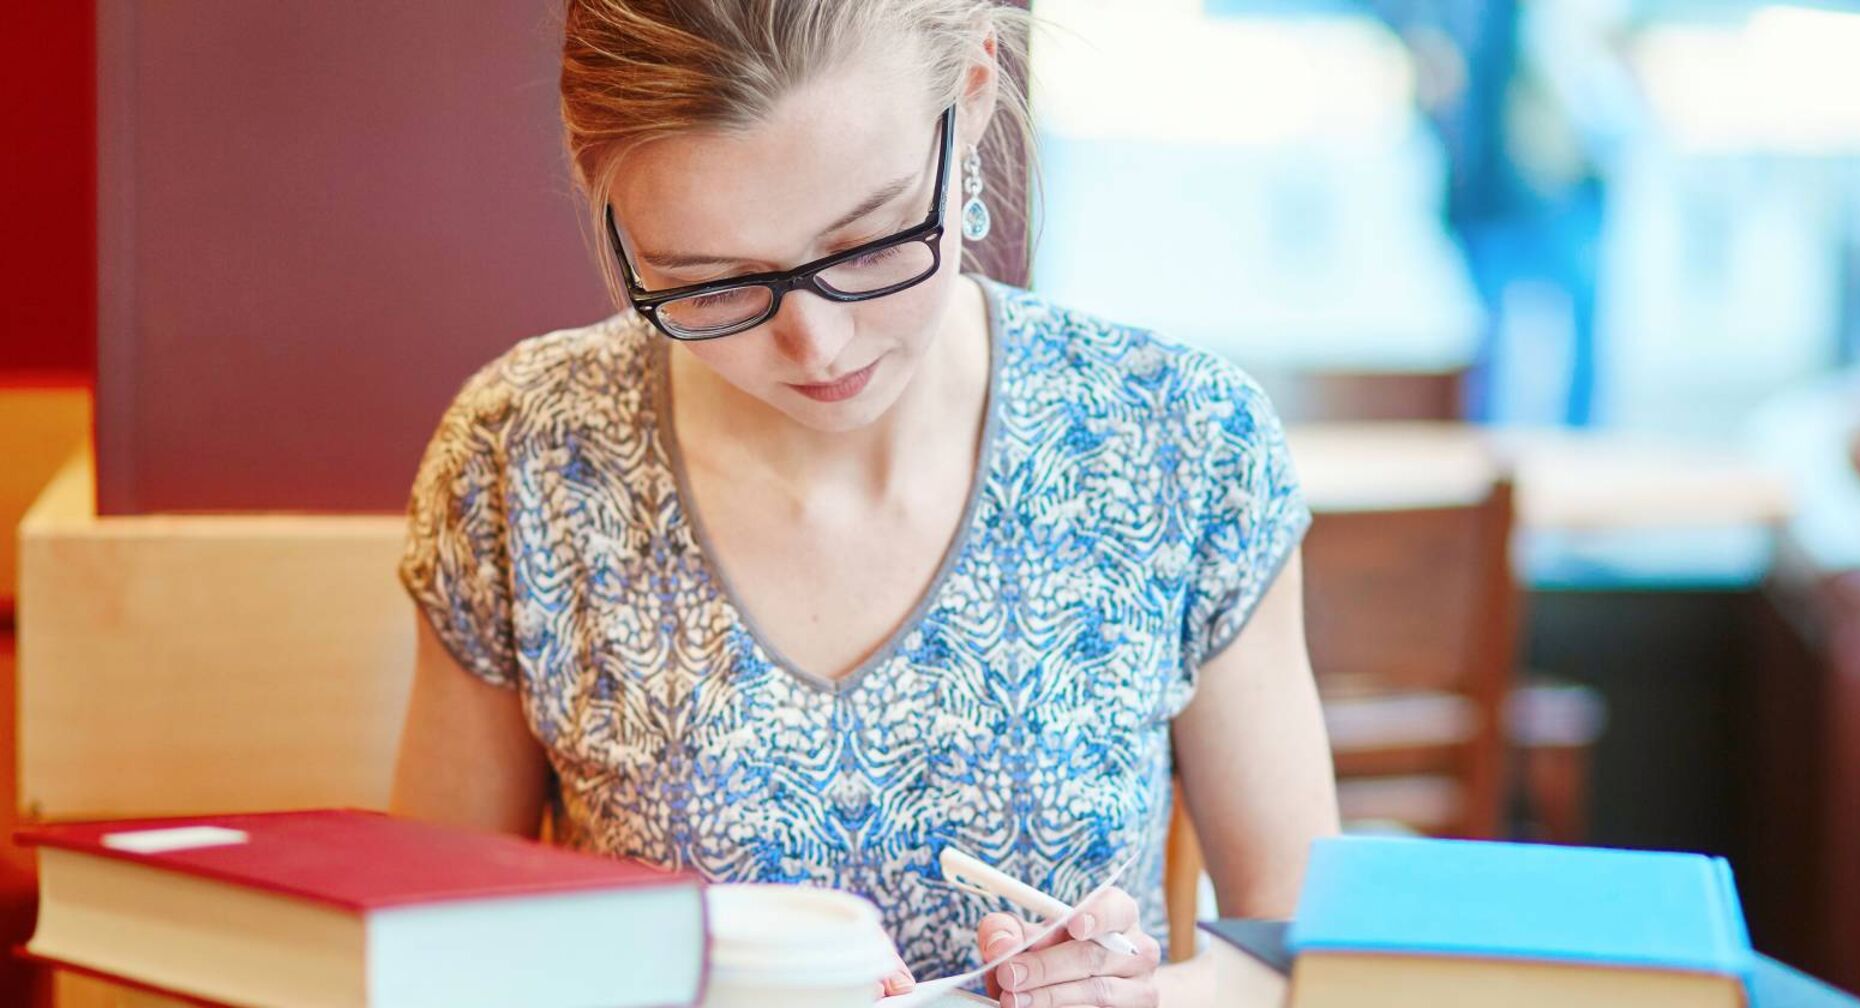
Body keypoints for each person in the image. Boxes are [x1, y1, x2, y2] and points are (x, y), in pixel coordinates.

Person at [389, 2, 1339, 1004]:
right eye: (707, 283)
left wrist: (1144, 999)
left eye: (872, 244)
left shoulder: (1180, 438)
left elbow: (1311, 965)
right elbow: (425, 957)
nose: (818, 344)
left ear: (973, 91)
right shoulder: (527, 453)